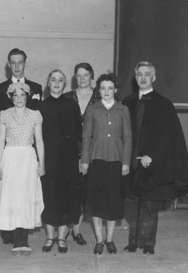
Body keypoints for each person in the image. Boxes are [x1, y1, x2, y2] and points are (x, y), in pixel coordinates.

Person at [123, 61, 188, 255]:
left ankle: (147, 244)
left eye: (147, 74)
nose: (143, 78)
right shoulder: (127, 102)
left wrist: (151, 155)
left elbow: (168, 137)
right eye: (139, 74)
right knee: (133, 203)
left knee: (150, 204)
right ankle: (133, 242)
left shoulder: (164, 104)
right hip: (132, 162)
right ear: (135, 78)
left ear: (153, 78)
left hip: (153, 162)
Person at [80, 73, 132, 255]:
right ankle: (100, 240)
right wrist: (85, 160)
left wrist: (126, 162)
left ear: (115, 90)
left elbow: (128, 137)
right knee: (97, 202)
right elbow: (86, 137)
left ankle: (110, 239)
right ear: (98, 90)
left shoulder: (123, 109)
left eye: (110, 88)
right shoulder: (92, 110)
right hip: (96, 161)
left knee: (113, 202)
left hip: (116, 161)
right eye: (103, 88)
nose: (107, 91)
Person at [0, 82, 45, 255]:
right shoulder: (4, 115)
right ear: (11, 97)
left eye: (23, 95)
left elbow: (39, 141)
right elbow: (0, 141)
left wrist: (41, 164)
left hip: (28, 159)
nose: (19, 99)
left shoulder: (35, 115)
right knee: (11, 197)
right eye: (15, 95)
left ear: (27, 97)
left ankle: (24, 240)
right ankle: (15, 238)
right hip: (10, 158)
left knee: (26, 197)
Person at [39, 69, 82, 253]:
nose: (56, 83)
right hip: (48, 159)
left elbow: (79, 133)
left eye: (60, 80)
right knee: (49, 197)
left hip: (68, 159)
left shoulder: (72, 104)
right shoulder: (41, 106)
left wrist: (79, 157)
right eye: (53, 80)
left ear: (65, 84)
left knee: (66, 198)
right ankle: (50, 237)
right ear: (48, 83)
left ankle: (62, 238)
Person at [63, 62, 99, 245]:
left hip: (95, 151)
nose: (82, 78)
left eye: (86, 75)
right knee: (72, 191)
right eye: (79, 75)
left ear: (92, 76)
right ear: (74, 78)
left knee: (87, 192)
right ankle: (73, 230)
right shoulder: (67, 97)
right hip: (71, 151)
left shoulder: (100, 96)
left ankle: (76, 229)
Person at [0, 48, 42, 112]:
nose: (17, 66)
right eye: (13, 63)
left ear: (25, 64)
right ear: (9, 65)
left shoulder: (36, 88)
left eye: (20, 62)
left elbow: (38, 112)